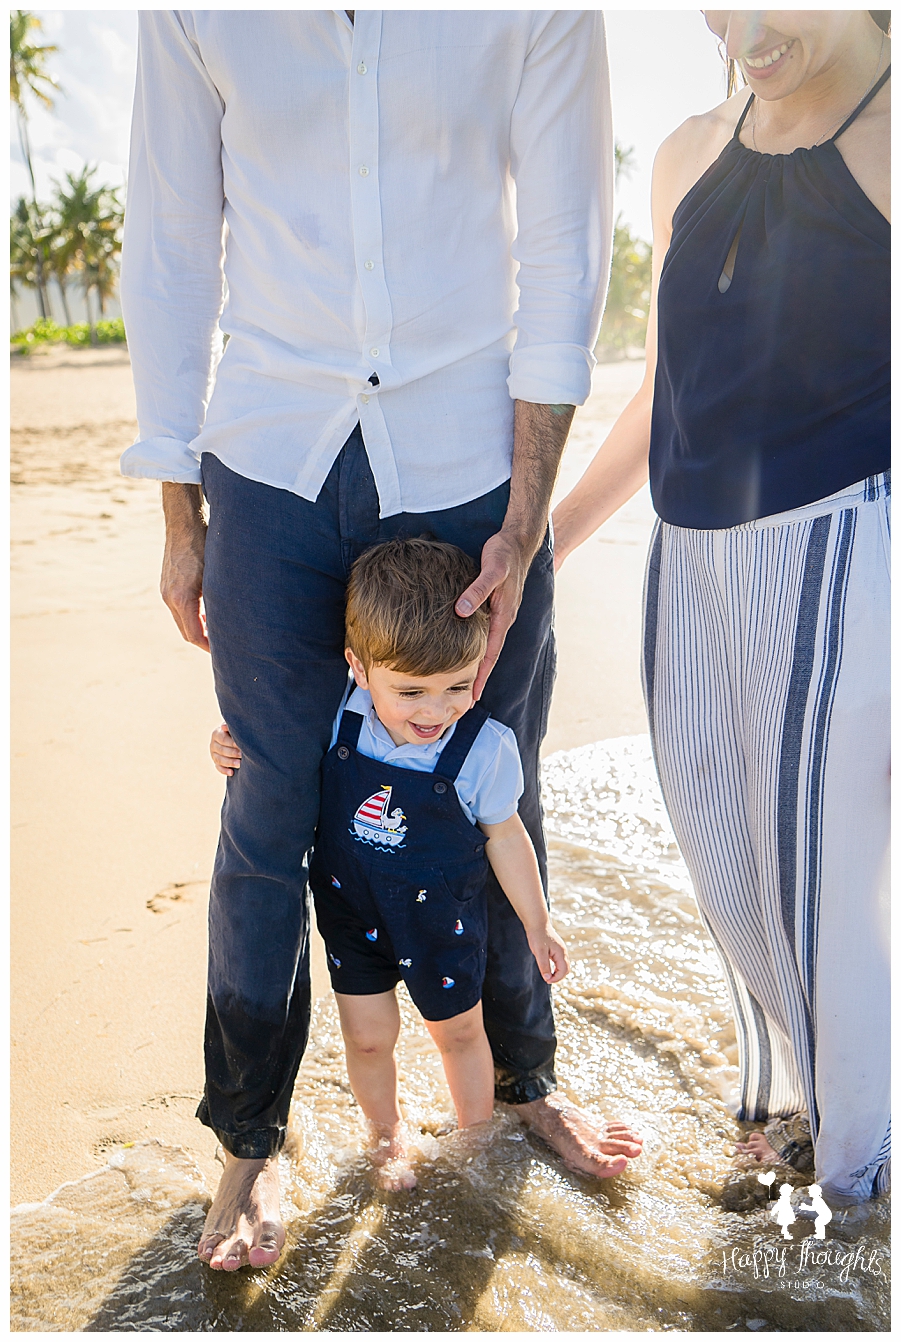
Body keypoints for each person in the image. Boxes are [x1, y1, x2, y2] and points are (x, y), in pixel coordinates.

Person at [119, 11, 642, 1272]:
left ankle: (522, 1082)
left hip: (472, 459)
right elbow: (175, 236)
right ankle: (248, 1140)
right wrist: (180, 510)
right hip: (268, 452)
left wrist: (525, 511)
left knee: (489, 783)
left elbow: (566, 239)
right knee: (268, 803)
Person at [552, 10, 889, 1208]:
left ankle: (854, 1198)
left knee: (815, 885)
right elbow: (662, 385)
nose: (744, 25)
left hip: (834, 550)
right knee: (724, 858)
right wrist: (542, 548)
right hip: (682, 560)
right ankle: (799, 1110)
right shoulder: (688, 150)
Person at [211, 538, 582, 1197]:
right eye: (409, 691)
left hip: (441, 921)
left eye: (456, 687)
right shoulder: (338, 718)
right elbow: (270, 748)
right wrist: (228, 743)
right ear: (358, 666)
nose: (434, 712)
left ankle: (474, 1144)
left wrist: (537, 923)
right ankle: (385, 1134)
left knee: (460, 1034)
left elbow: (506, 835)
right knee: (368, 1036)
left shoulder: (484, 749)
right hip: (353, 913)